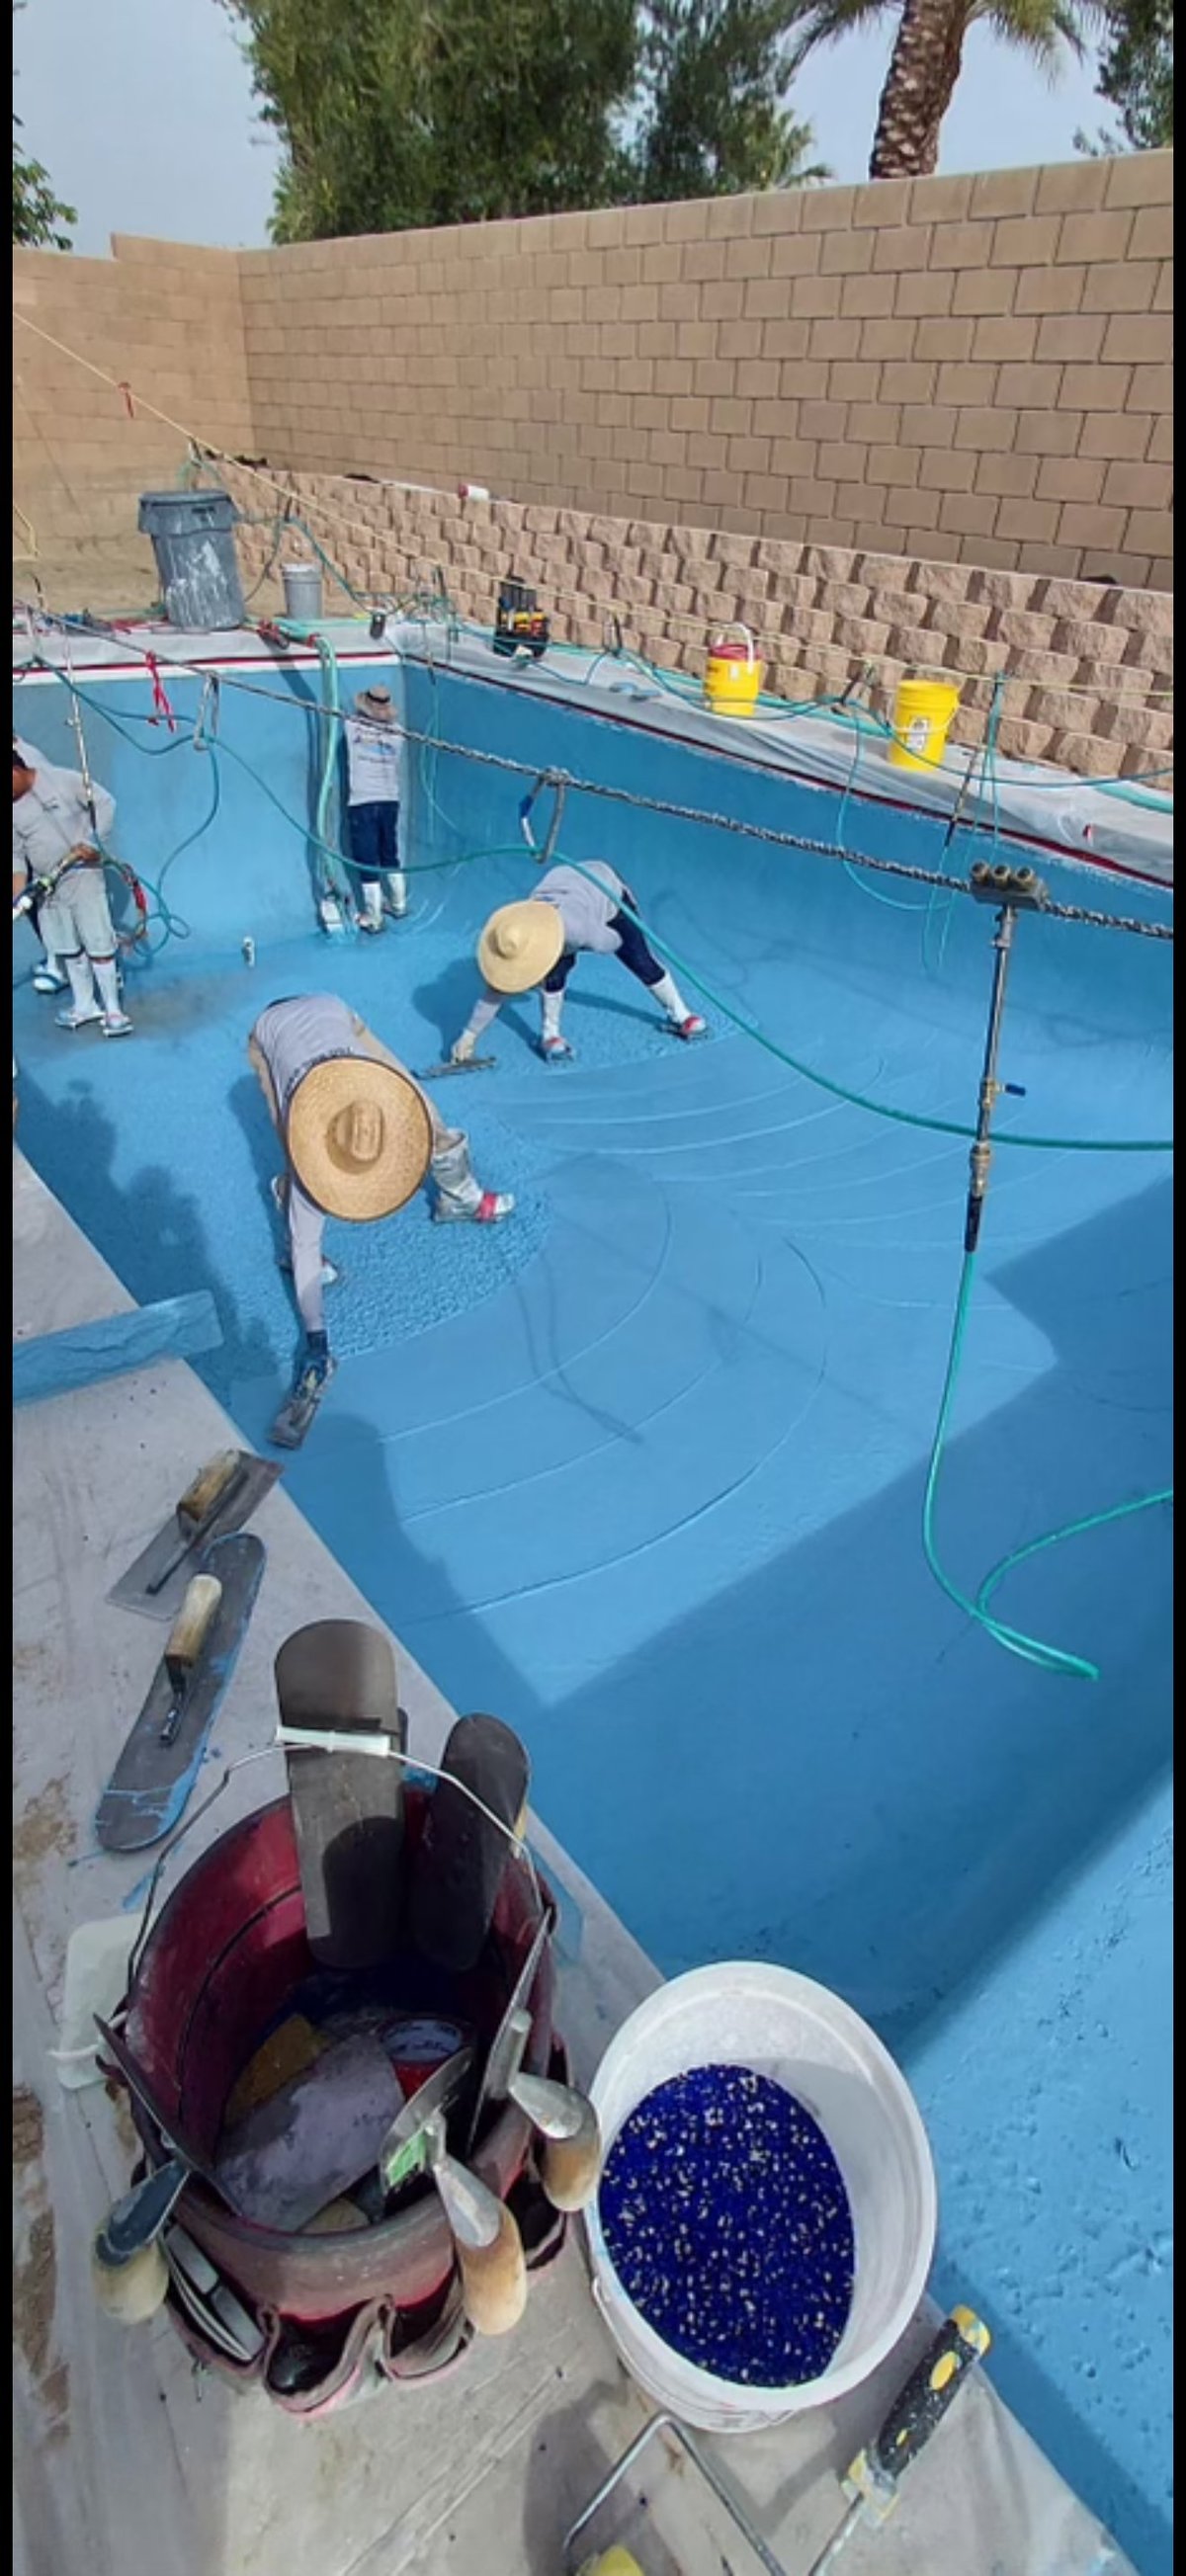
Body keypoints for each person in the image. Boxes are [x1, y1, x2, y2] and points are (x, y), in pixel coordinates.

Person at [248, 993, 514, 1400]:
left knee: (426, 1113)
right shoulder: (310, 1153)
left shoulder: (385, 1104)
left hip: (335, 1012)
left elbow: (397, 1110)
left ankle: (462, 1197)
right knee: (290, 1144)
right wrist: (317, 1341)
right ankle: (288, 1199)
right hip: (270, 1031)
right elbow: (306, 1246)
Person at [450, 860, 706, 1062]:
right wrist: (469, 1036)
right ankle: (550, 1034)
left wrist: (591, 942)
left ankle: (680, 1015)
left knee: (640, 959)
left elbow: (611, 943)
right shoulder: (517, 931)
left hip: (606, 892)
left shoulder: (580, 930)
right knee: (554, 974)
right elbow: (497, 989)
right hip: (564, 885)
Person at [12, 746, 132, 1037]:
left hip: (82, 876)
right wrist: (16, 896)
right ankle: (84, 1005)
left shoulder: (61, 779)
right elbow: (15, 857)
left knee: (98, 943)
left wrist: (93, 843)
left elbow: (105, 803)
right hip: (48, 886)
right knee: (68, 947)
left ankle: (113, 1010)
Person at [343, 684, 407, 934]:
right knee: (390, 853)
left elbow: (350, 716)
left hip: (363, 801)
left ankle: (374, 917)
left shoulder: (352, 726)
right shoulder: (399, 733)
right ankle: (399, 904)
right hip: (390, 800)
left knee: (367, 858)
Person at [13, 734, 66, 993]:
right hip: (21, 842)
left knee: (45, 904)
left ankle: (61, 965)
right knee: (31, 904)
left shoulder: (28, 758)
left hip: (43, 844)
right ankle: (56, 956)